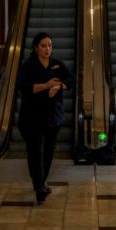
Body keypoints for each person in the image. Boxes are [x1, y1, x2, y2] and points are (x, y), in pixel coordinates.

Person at [16, 32, 74, 203]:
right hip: (32, 116)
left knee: (48, 151)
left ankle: (42, 181)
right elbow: (24, 88)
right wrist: (46, 85)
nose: (47, 48)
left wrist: (60, 86)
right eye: (43, 45)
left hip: (53, 116)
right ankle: (39, 186)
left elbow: (72, 79)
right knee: (35, 151)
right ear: (36, 47)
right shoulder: (28, 65)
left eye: (49, 45)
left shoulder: (57, 64)